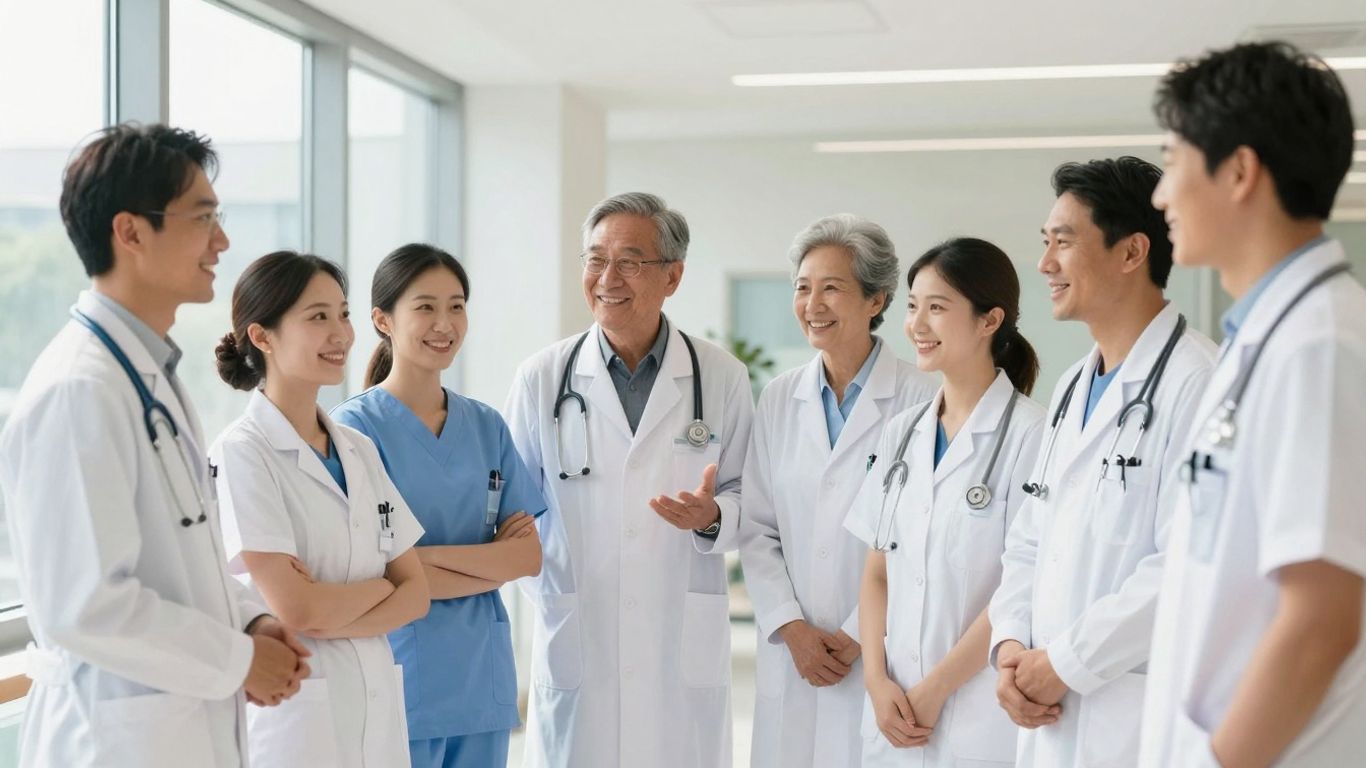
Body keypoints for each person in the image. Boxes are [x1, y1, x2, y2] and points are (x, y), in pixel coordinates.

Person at [0, 124, 309, 767]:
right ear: (131, 232)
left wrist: (248, 619)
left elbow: (181, 558)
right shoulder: (77, 391)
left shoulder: (148, 378)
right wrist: (240, 659)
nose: (222, 241)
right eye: (203, 218)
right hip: (112, 740)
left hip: (172, 729)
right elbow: (84, 606)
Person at [1140, 42, 1365, 767]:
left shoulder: (1319, 343)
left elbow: (1321, 620)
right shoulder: (1266, 338)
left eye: (1172, 160)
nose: (1160, 193)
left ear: (1239, 170)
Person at [504, 192, 755, 768]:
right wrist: (552, 591)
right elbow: (514, 515)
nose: (607, 277)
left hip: (678, 632)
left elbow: (750, 499)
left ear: (673, 276)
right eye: (595, 259)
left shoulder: (719, 377)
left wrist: (714, 517)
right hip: (578, 627)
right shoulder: (542, 378)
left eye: (630, 261)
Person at [987, 157, 1217, 768]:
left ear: (1133, 251)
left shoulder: (1200, 383)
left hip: (1131, 716)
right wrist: (1010, 645)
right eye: (1045, 243)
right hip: (1043, 707)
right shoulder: (1069, 389)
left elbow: (1185, 562)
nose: (1044, 264)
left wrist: (1064, 663)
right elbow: (1028, 539)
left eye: (1063, 242)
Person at [210, 251, 429, 768]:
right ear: (262, 337)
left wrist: (336, 605)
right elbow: (298, 610)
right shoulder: (243, 451)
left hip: (374, 705)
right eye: (317, 317)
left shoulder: (357, 449)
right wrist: (380, 590)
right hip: (298, 721)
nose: (342, 334)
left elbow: (417, 593)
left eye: (343, 313)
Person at [332, 243, 546, 768]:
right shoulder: (354, 431)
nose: (444, 322)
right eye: (425, 306)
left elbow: (526, 559)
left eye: (456, 305)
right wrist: (486, 566)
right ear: (382, 320)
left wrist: (417, 565)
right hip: (402, 672)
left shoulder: (486, 425)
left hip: (481, 679)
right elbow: (371, 570)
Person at [740, 214, 936, 768]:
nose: (812, 303)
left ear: (876, 300)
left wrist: (856, 636)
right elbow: (757, 527)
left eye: (832, 288)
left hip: (880, 655)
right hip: (792, 656)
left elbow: (919, 541)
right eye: (803, 288)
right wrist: (790, 626)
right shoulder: (780, 399)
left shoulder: (923, 400)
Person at [846, 238, 1046, 767]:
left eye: (937, 307)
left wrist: (934, 689)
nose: (916, 324)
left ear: (989, 320)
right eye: (913, 306)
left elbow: (1016, 588)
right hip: (892, 712)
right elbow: (877, 572)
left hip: (977, 717)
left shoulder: (1033, 436)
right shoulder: (902, 433)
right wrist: (875, 680)